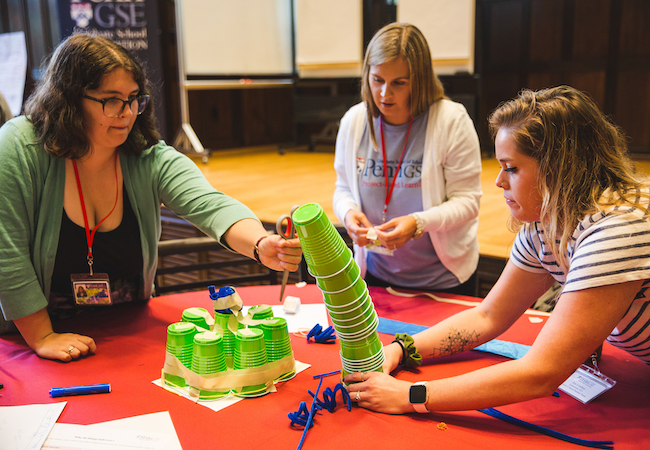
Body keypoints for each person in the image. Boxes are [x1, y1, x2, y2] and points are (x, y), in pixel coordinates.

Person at [343, 85, 650, 414]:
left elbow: (541, 373)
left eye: (512, 168)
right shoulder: (546, 224)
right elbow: (488, 316)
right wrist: (402, 348)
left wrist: (411, 396)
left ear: (561, 167)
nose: (499, 181)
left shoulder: (618, 229)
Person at [0, 32, 302, 362]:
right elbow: (6, 252)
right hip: (35, 340)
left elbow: (209, 203)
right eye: (111, 100)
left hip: (128, 335)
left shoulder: (146, 154)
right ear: (70, 100)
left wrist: (260, 244)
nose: (128, 113)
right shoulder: (18, 146)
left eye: (134, 98)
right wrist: (42, 336)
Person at [333, 23, 482, 296]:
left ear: (421, 79)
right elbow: (342, 189)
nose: (384, 94)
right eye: (377, 80)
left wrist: (418, 223)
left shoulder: (452, 120)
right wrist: (347, 213)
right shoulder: (354, 121)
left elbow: (469, 202)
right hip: (376, 274)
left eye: (399, 83)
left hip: (444, 278)